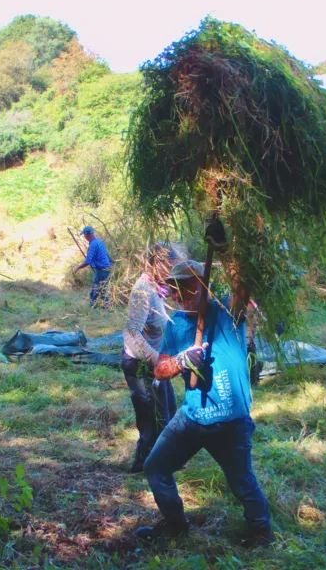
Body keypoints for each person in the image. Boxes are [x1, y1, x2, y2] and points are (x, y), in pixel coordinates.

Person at [136, 259, 273, 547]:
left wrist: (227, 250)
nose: (179, 295)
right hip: (192, 417)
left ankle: (261, 532)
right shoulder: (176, 327)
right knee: (155, 468)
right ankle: (175, 525)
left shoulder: (227, 312)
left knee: (242, 482)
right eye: (174, 289)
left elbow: (243, 284)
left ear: (204, 285)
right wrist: (180, 361)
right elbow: (159, 370)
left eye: (185, 287)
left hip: (230, 420)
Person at [123, 243, 179, 473]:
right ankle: (144, 465)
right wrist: (156, 358)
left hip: (157, 363)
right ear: (156, 264)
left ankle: (164, 460)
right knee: (152, 419)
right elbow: (131, 332)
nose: (172, 272)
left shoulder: (158, 288)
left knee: (170, 412)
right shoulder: (142, 291)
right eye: (169, 267)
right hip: (139, 363)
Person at [73, 226, 113, 307]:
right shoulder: (99, 241)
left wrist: (78, 267)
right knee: (101, 289)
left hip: (102, 270)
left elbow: (87, 261)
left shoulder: (93, 245)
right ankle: (97, 306)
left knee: (97, 290)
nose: (84, 237)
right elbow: (106, 255)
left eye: (84, 235)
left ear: (87, 235)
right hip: (107, 268)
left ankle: (97, 307)